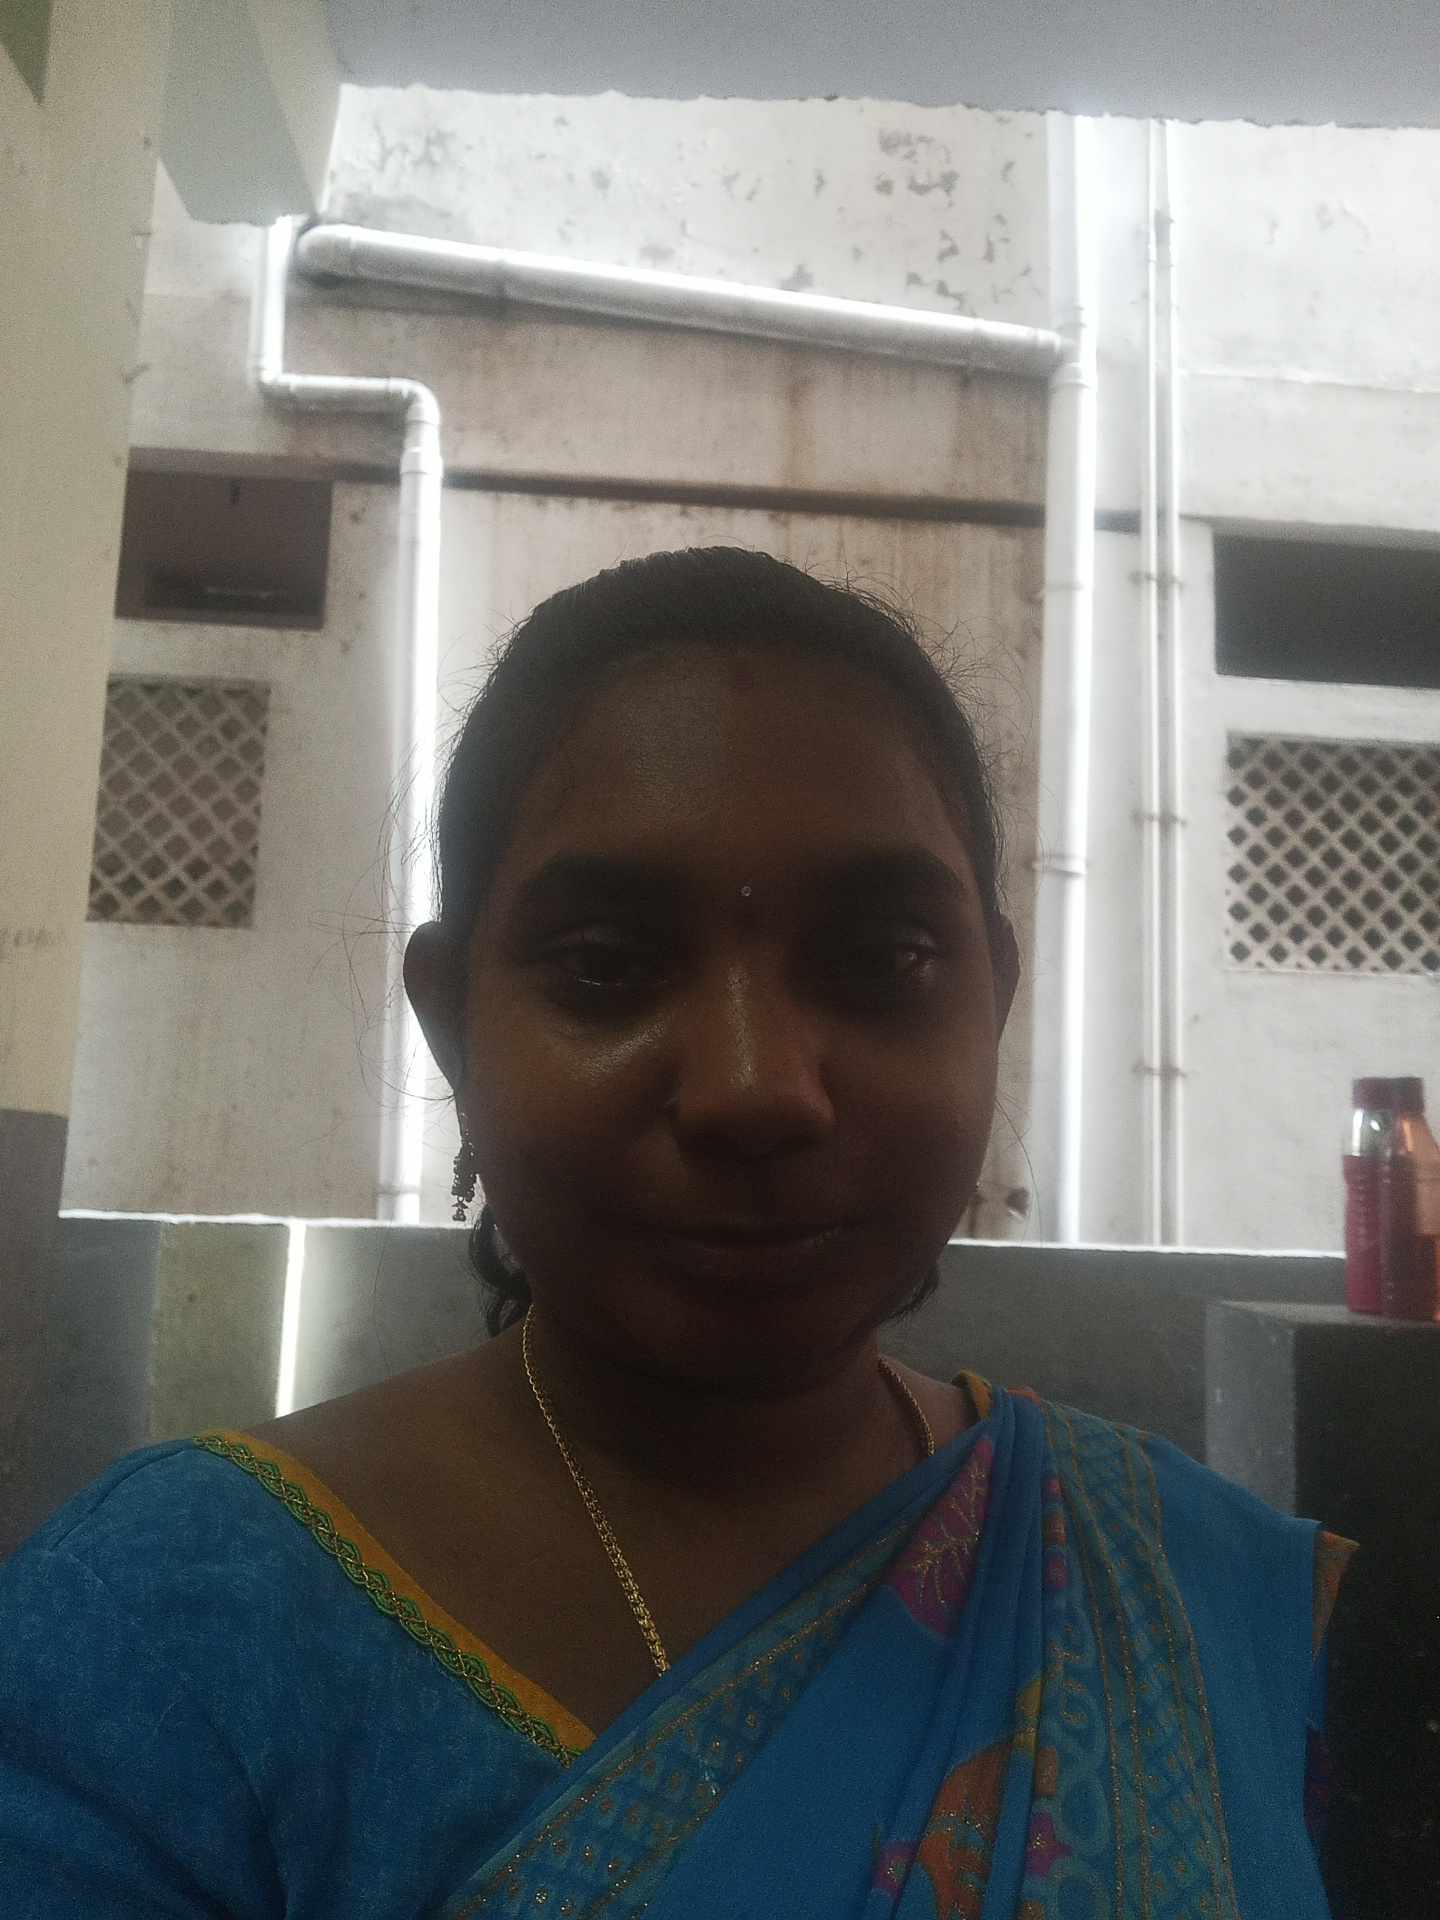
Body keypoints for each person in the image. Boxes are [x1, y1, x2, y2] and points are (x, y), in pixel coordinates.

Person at [0, 547, 1351, 1917]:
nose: (757, 1088)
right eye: (607, 965)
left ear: (992, 997)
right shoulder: (161, 1632)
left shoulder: (1185, 1588)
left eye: (882, 960)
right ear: (454, 1020)